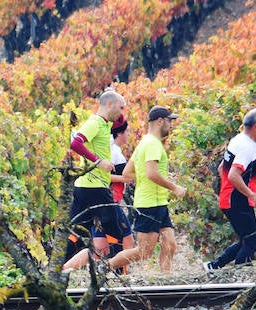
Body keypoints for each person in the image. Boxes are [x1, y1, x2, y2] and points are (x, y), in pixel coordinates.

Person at [63, 89, 129, 270]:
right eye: (120, 107)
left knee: (76, 230)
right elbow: (75, 143)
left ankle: (60, 268)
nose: (122, 112)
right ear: (109, 105)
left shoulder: (105, 124)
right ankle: (117, 272)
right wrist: (99, 162)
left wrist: (117, 107)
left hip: (84, 187)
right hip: (95, 188)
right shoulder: (95, 123)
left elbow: (120, 121)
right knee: (115, 230)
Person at [115, 106, 186, 274]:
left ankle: (165, 281)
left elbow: (127, 173)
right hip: (149, 204)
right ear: (160, 121)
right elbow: (151, 173)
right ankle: (104, 267)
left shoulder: (144, 143)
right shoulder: (153, 144)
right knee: (143, 252)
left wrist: (153, 178)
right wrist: (174, 187)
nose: (171, 125)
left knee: (170, 245)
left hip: (158, 202)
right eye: (169, 121)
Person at [206, 108, 256, 270]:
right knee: (251, 243)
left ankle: (214, 267)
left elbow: (222, 168)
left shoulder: (238, 139)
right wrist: (252, 195)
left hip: (231, 198)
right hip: (238, 200)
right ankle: (240, 276)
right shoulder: (248, 147)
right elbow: (233, 175)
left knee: (245, 240)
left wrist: (227, 191)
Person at [89, 116, 136, 262]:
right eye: (127, 131)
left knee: (101, 247)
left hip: (96, 201)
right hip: (111, 201)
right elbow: (103, 176)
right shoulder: (114, 152)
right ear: (120, 133)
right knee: (126, 241)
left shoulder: (105, 148)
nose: (128, 134)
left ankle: (95, 273)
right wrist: (125, 178)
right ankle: (122, 274)